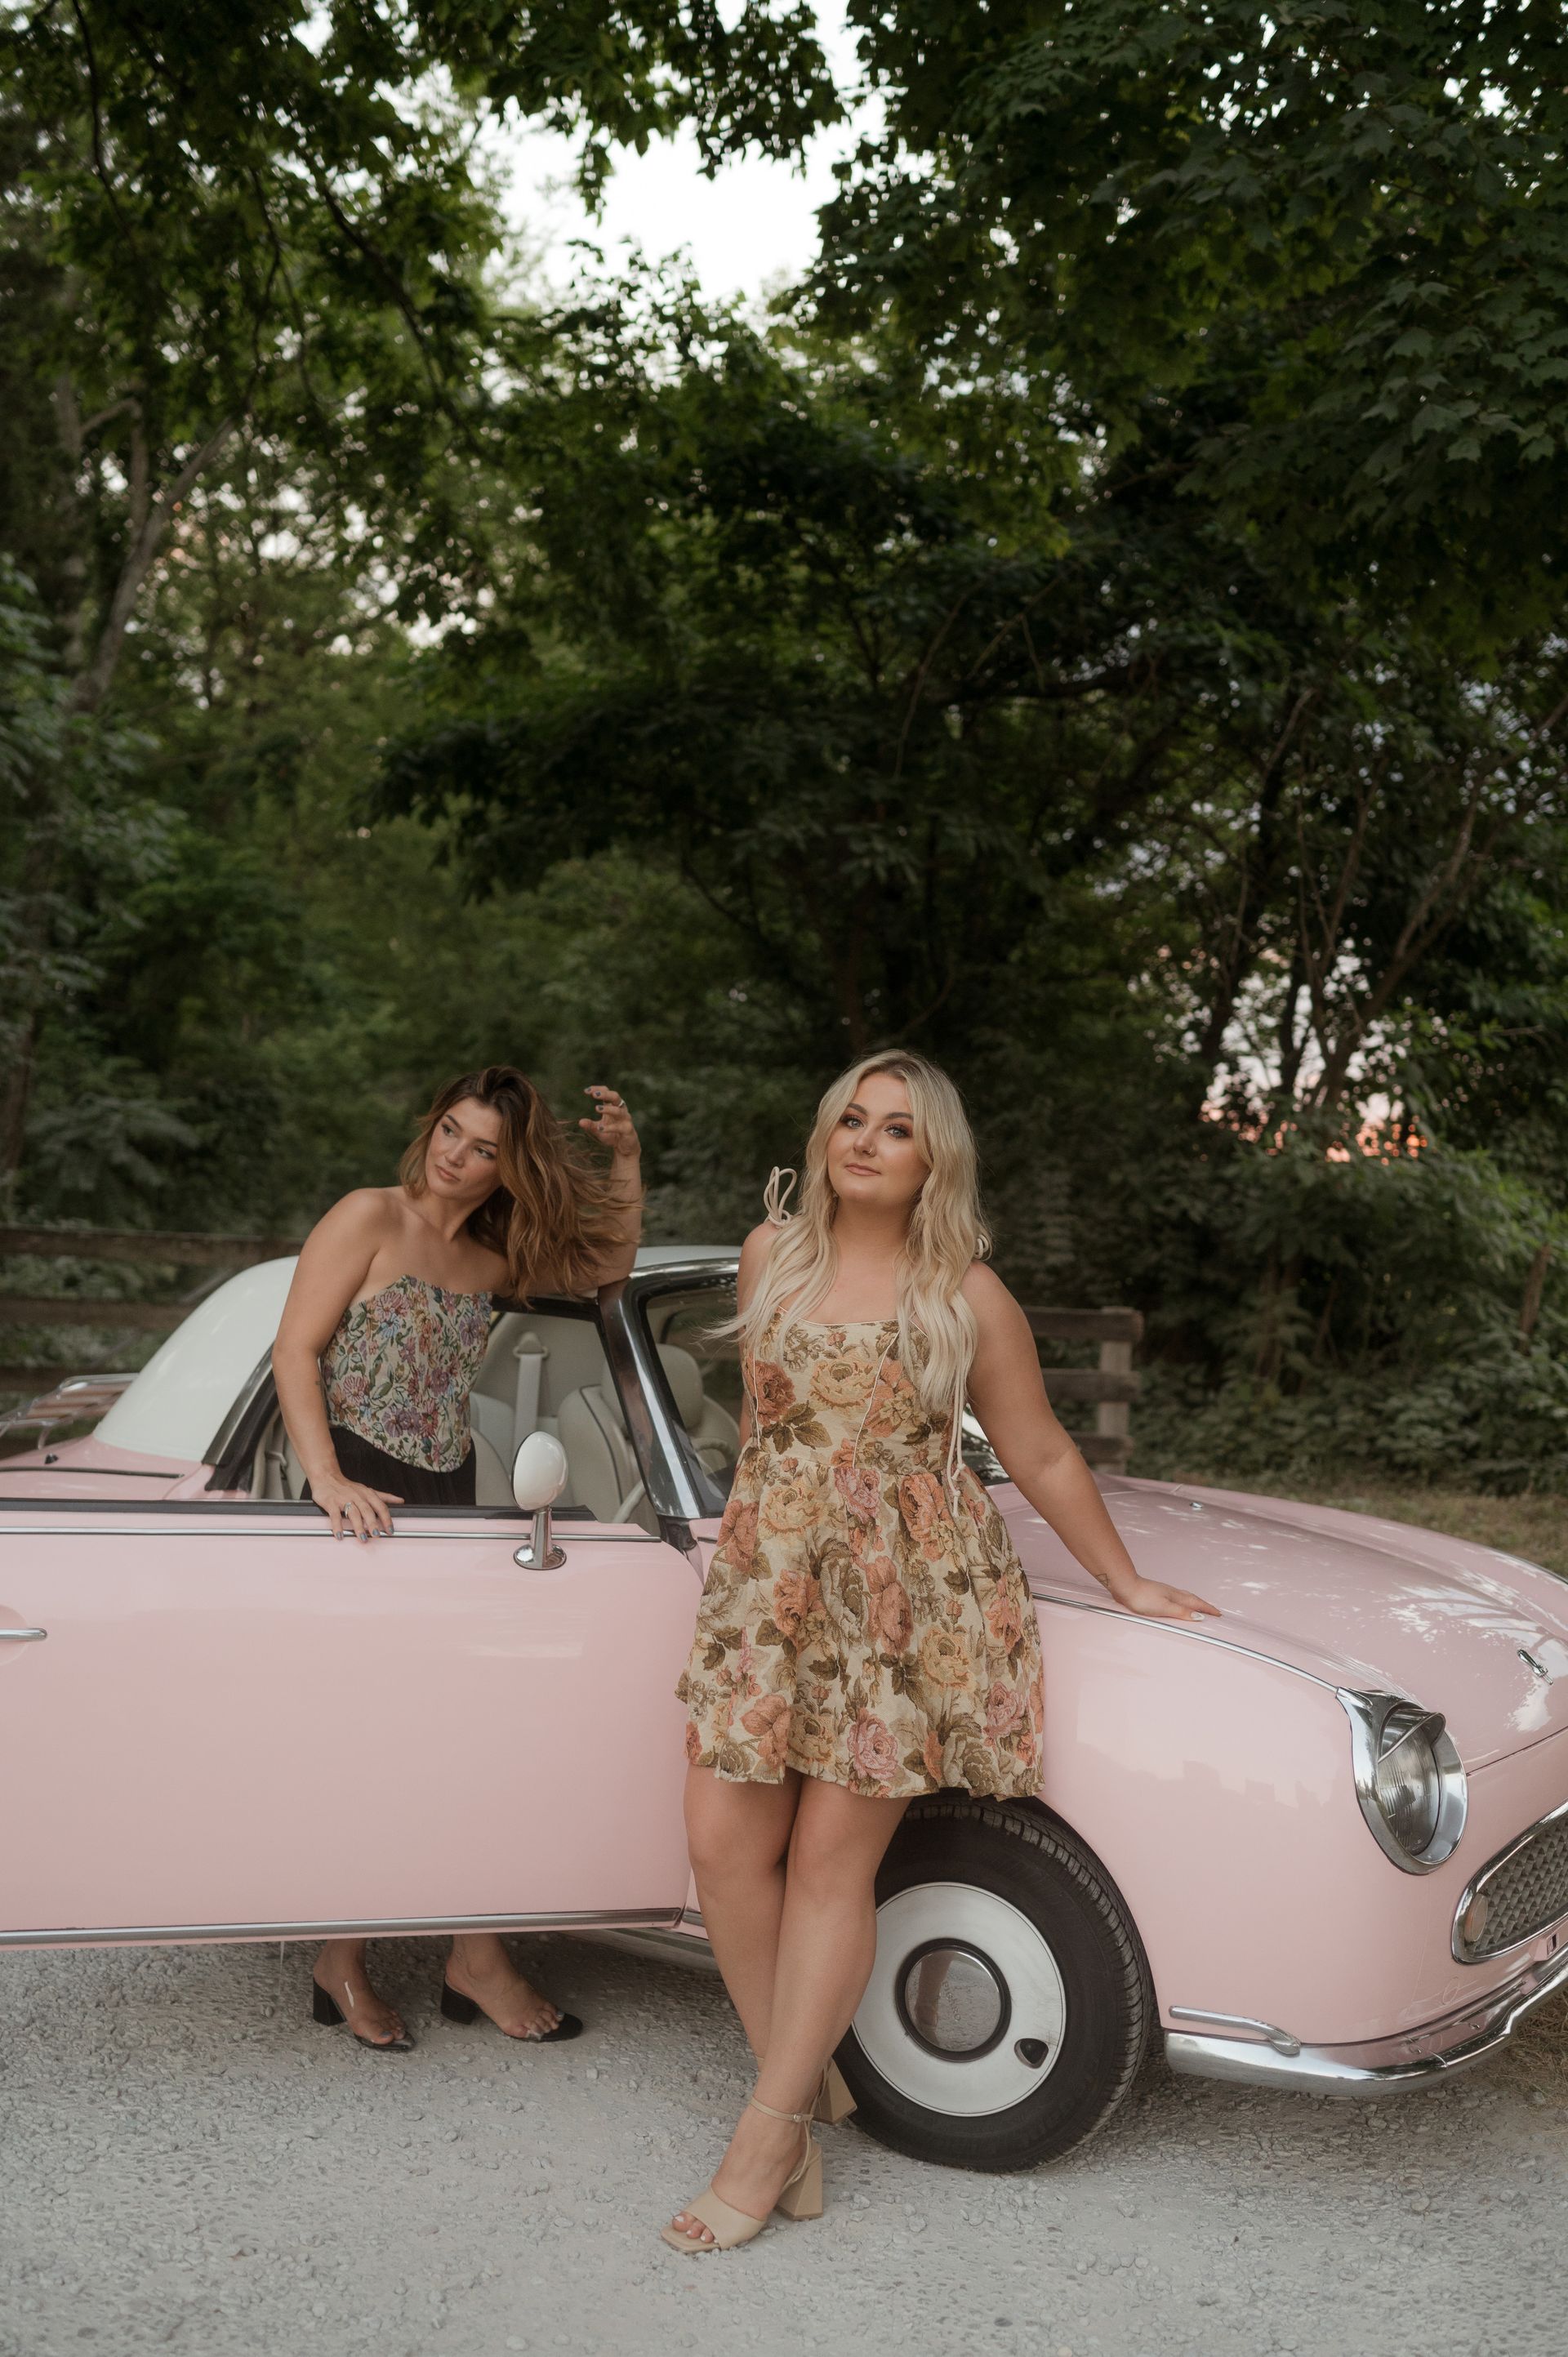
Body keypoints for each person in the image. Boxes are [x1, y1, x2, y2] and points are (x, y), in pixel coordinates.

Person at [663, 1049, 1218, 2251]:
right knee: (722, 1846)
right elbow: (763, 1427)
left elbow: (1042, 1448)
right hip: (770, 1591)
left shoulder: (963, 1292)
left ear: (934, 1162)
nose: (865, 1142)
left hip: (900, 1600)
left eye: (897, 1129)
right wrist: (752, 1562)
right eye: (852, 1120)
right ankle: (802, 2083)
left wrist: (1124, 1579)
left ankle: (768, 2134)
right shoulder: (770, 1256)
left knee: (830, 1864)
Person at [272, 1063, 642, 2050]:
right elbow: (294, 1351)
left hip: (450, 1496)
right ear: (431, 1126)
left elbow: (610, 1265)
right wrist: (324, 1478)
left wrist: (627, 1161)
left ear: (506, 1169)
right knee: (371, 1740)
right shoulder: (368, 1215)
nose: (456, 1156)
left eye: (483, 1149)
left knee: (456, 1732)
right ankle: (346, 1958)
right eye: (450, 1131)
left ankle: (467, 1953)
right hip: (357, 1495)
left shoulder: (493, 1255)